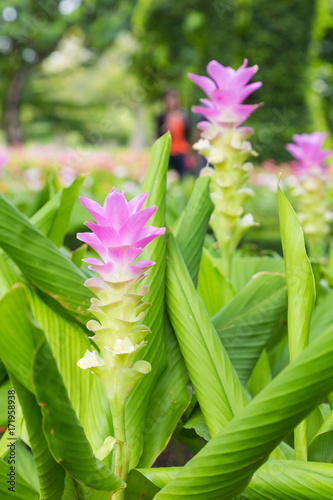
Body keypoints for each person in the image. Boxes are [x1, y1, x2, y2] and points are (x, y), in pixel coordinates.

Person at [157, 89, 190, 177]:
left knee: (184, 176)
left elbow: (187, 134)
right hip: (168, 152)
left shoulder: (183, 115)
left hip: (181, 151)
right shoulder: (161, 117)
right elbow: (159, 135)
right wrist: (168, 123)